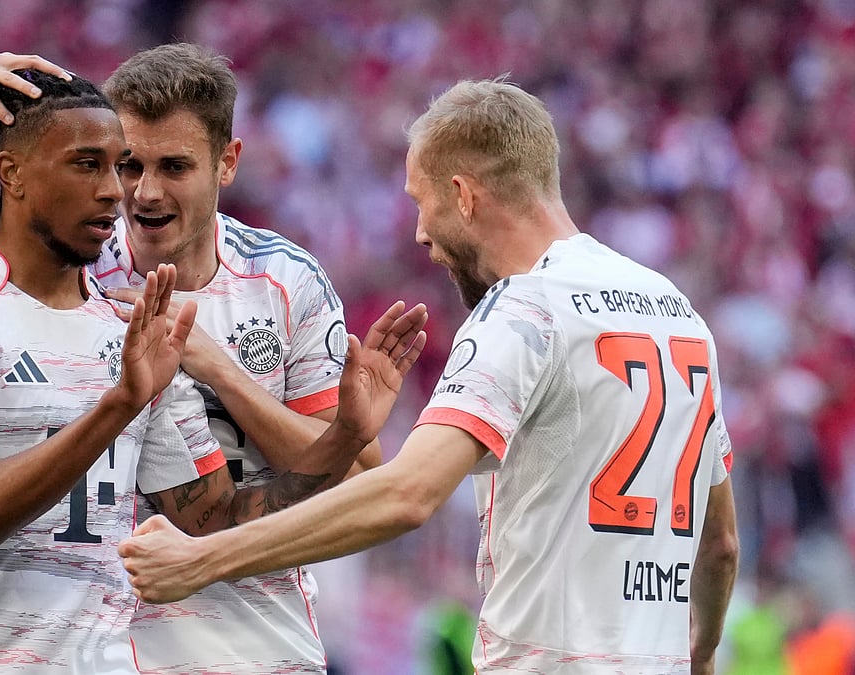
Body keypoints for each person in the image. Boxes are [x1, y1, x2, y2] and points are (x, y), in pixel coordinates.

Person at [118, 78, 741, 675]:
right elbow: (720, 545)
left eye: (422, 202)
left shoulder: (524, 306)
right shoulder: (677, 312)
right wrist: (703, 653)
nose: (420, 233)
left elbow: (405, 494)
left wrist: (201, 560)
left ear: (464, 196)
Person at [0, 56, 425, 674]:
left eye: (175, 167)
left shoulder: (283, 282)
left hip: (251, 639)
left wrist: (221, 372)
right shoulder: (81, 264)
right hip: (101, 644)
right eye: (124, 164)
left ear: (227, 162)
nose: (139, 191)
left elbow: (346, 480)